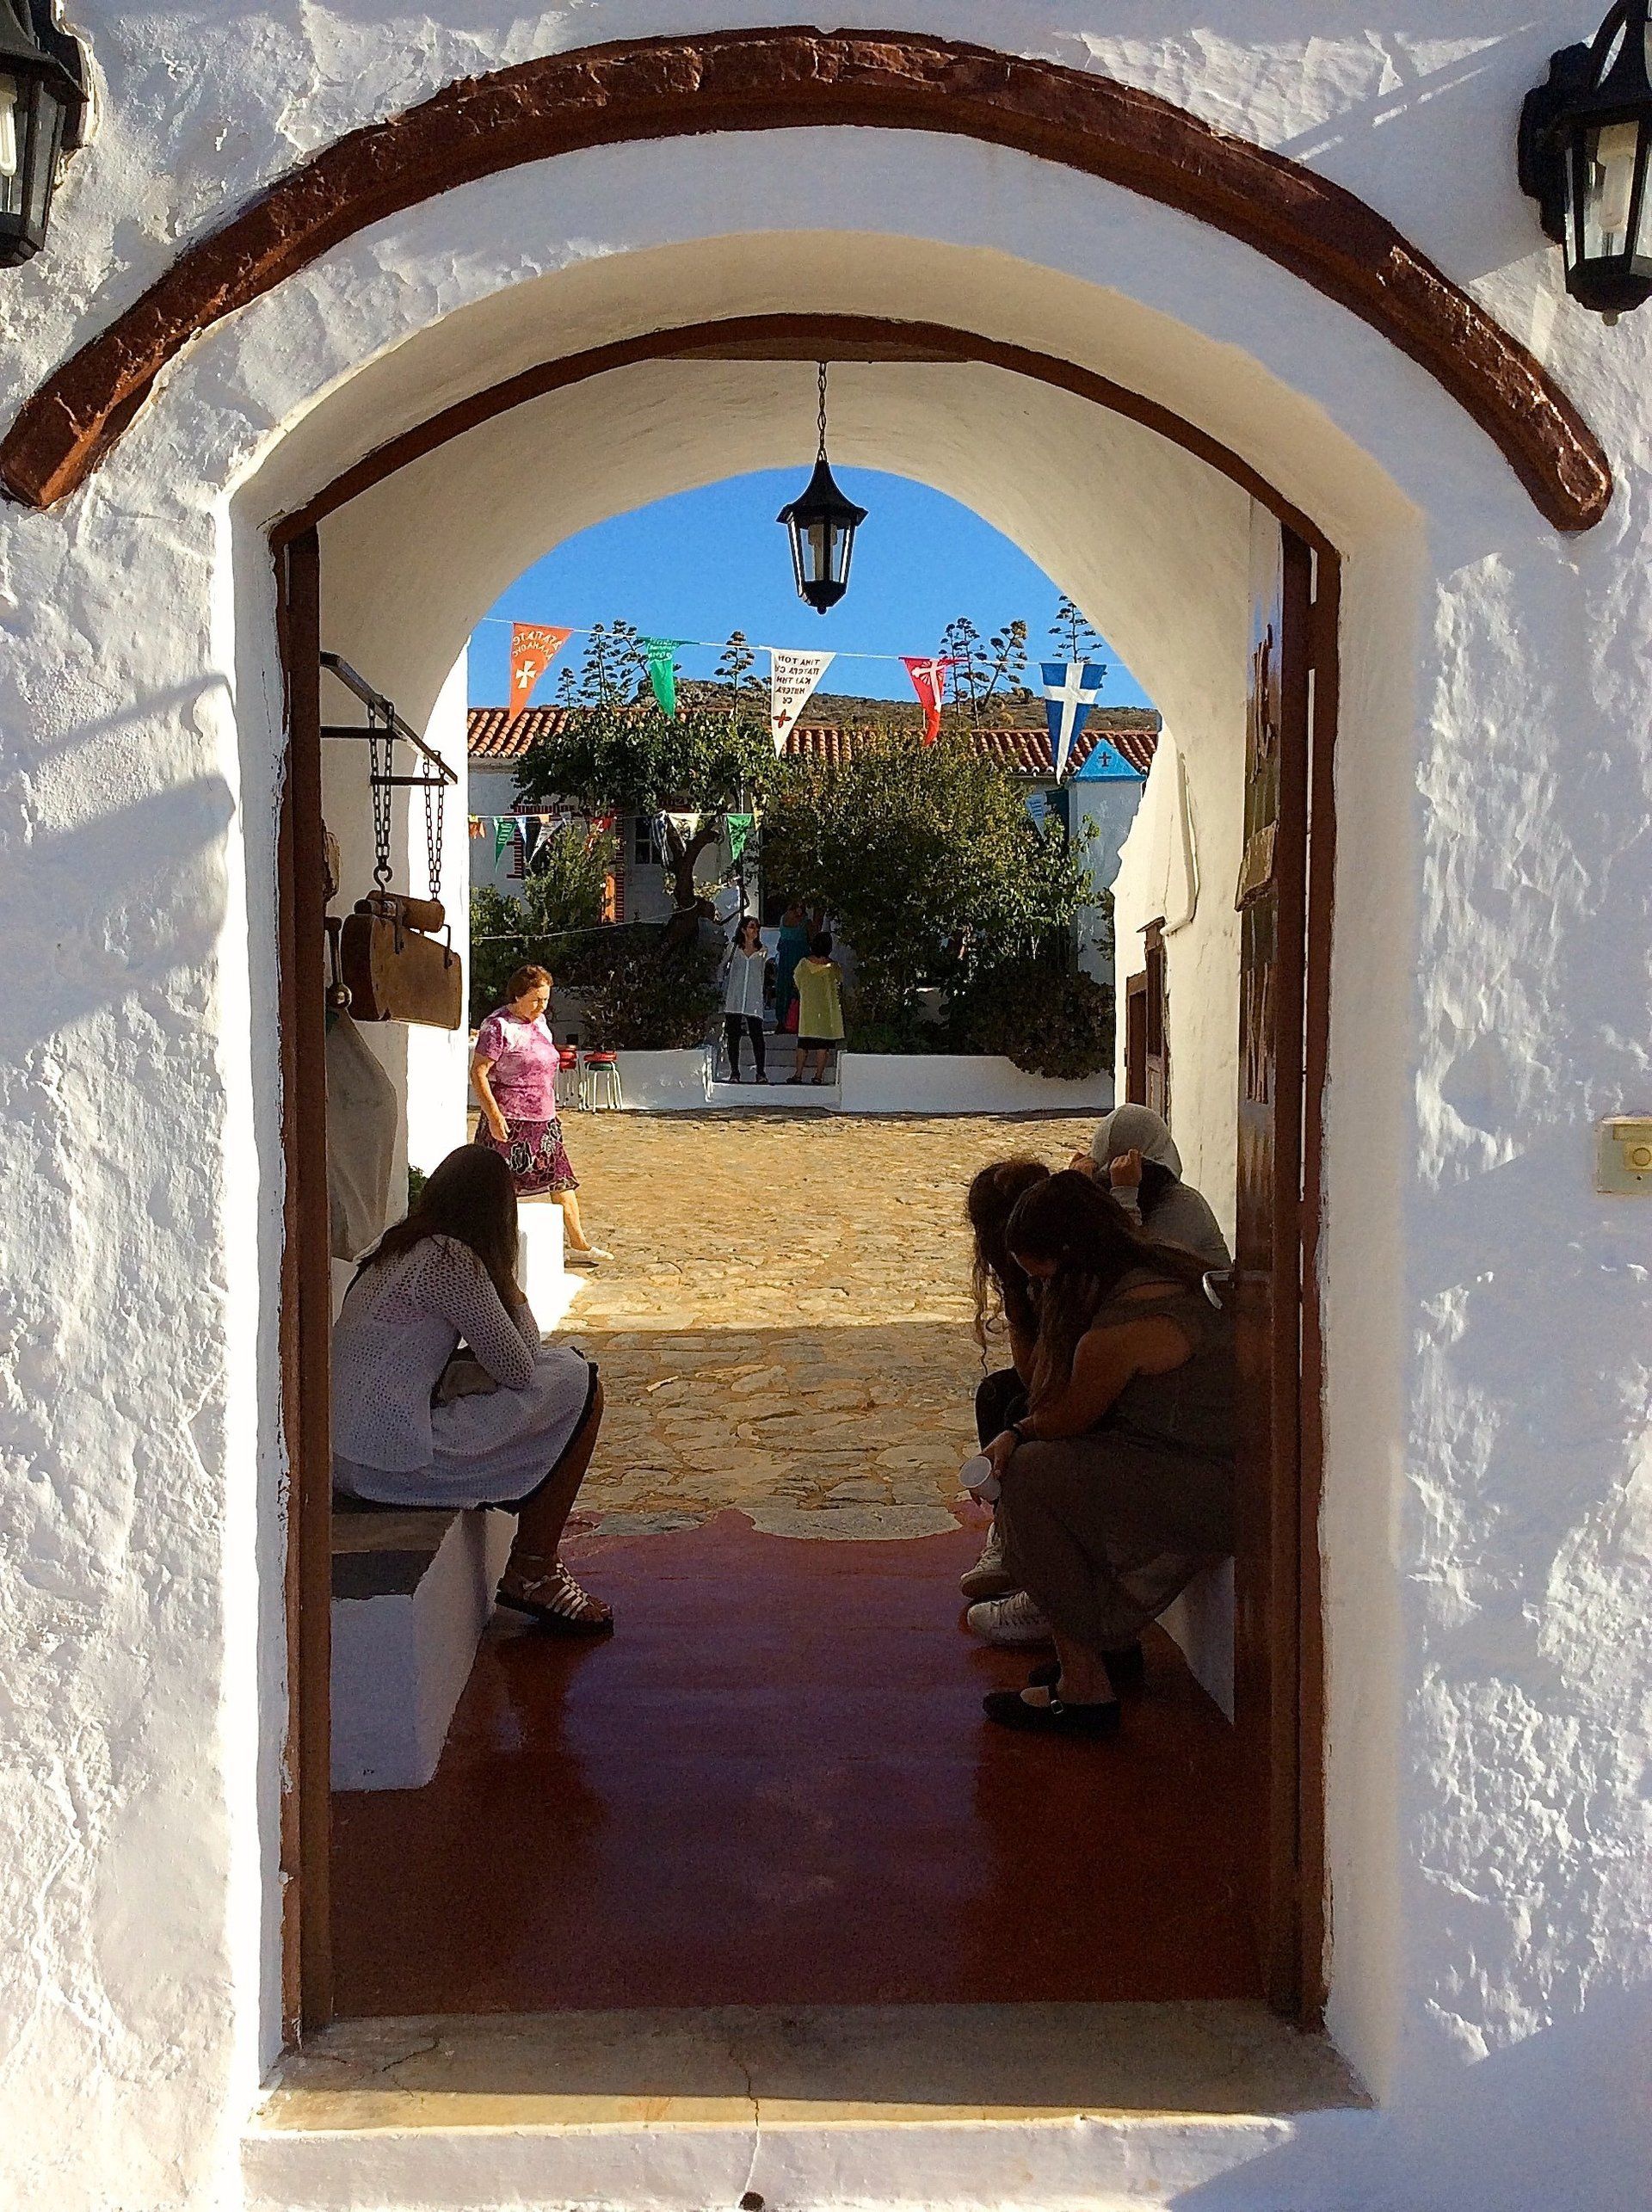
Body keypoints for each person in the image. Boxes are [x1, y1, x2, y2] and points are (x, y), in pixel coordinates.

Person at [973, 1170, 1235, 1736]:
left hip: (1208, 1488)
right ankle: (1104, 1651)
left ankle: (1085, 1688)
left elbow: (1060, 1414)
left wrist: (1012, 1435)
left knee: (1030, 1482)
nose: (1040, 1289)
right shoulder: (1168, 1264)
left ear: (1066, 1261)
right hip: (1218, 1467)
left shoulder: (1115, 1334)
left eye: (1040, 1276)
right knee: (1065, 1469)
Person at [331, 1145, 612, 1633]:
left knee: (553, 1371)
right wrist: (508, 1281)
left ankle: (534, 1561)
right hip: (389, 1459)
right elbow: (519, 1366)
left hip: (345, 1454)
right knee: (576, 1381)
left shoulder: (392, 1248)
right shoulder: (450, 1259)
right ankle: (534, 1564)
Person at [471, 963, 611, 1263]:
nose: (541, 1006)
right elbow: (479, 1073)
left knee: (561, 1179)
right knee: (499, 1186)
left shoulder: (540, 1023)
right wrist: (494, 1117)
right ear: (518, 995)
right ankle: (490, 1248)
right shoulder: (498, 1027)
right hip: (510, 1119)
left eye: (545, 999)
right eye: (536, 999)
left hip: (543, 1118)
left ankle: (579, 1245)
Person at [959, 1158, 1051, 1605]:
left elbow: (1042, 1379)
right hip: (1062, 1381)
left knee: (1016, 1410)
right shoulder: (1028, 1281)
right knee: (995, 1393)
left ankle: (1039, 1565)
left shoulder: (1058, 1274)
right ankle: (1007, 1532)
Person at [1076, 1104, 1230, 1269]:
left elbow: (1127, 1267)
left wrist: (1124, 1194)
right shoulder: (1106, 1193)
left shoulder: (1182, 1203)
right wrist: (1078, 1192)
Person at [789, 931, 845, 1085]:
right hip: (826, 1013)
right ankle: (818, 1076)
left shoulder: (803, 964)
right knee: (823, 1046)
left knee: (803, 1044)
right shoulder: (834, 967)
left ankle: (798, 1075)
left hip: (808, 1012)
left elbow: (796, 981)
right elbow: (840, 985)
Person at [721, 915, 770, 1082]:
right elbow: (723, 968)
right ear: (743, 929)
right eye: (751, 927)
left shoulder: (763, 951)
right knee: (733, 1036)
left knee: (757, 1036)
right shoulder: (733, 949)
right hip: (735, 996)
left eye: (756, 927)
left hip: (753, 998)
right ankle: (734, 1072)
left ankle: (761, 1072)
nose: (755, 930)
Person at [773, 899, 810, 1034]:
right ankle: (788, 1021)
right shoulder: (802, 920)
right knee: (789, 989)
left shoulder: (787, 918)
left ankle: (787, 1021)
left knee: (787, 988)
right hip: (795, 956)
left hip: (790, 956)